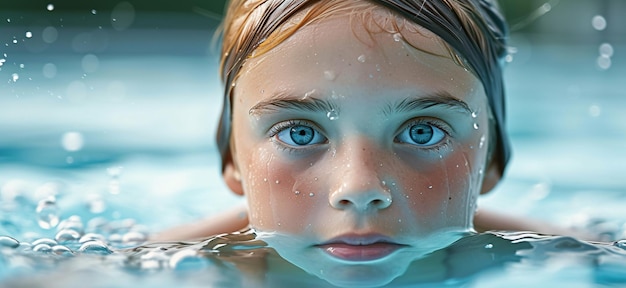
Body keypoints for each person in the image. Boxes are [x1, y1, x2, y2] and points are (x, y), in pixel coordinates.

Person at [152, 0, 593, 285]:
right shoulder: (155, 268)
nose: (360, 188)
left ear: (491, 157)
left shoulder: (571, 260)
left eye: (423, 132)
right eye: (300, 133)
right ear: (233, 159)